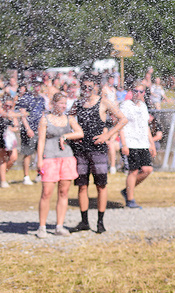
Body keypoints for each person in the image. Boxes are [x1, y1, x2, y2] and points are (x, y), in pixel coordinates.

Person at [68, 75, 127, 233]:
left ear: (96, 87)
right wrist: (74, 130)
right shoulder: (78, 103)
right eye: (84, 87)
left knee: (101, 186)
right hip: (80, 150)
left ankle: (100, 222)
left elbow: (123, 119)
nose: (86, 90)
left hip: (98, 150)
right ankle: (84, 221)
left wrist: (107, 136)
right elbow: (69, 116)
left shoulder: (104, 102)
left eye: (89, 87)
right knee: (82, 186)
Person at [35, 92, 85, 238]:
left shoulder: (69, 119)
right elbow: (41, 141)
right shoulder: (45, 119)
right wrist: (39, 159)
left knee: (64, 193)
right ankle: (42, 227)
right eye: (60, 103)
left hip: (66, 158)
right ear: (54, 103)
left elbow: (79, 132)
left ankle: (59, 225)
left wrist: (65, 136)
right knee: (46, 193)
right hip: (49, 158)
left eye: (65, 103)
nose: (63, 106)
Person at [119, 82, 156, 209]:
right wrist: (123, 144)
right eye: (135, 91)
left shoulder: (143, 106)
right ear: (131, 91)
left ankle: (127, 190)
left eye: (140, 91)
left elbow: (146, 127)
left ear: (143, 93)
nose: (137, 94)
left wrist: (152, 144)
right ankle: (130, 199)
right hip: (130, 142)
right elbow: (121, 125)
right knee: (133, 171)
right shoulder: (126, 105)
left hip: (142, 143)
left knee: (147, 169)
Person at [15, 80, 46, 185]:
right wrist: (28, 129)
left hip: (39, 130)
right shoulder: (25, 98)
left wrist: (42, 128)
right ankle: (26, 176)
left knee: (40, 153)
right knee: (28, 154)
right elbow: (23, 115)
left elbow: (42, 114)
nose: (37, 87)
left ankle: (39, 174)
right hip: (29, 130)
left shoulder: (41, 99)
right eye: (35, 85)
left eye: (39, 85)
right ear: (31, 86)